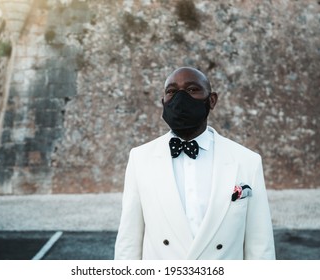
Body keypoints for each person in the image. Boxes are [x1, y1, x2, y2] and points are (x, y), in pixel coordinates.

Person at [114, 67, 275, 260]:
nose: (181, 98)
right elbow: (128, 241)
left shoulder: (247, 161)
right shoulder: (140, 158)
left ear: (212, 100)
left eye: (192, 90)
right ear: (163, 102)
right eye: (171, 91)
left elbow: (260, 245)